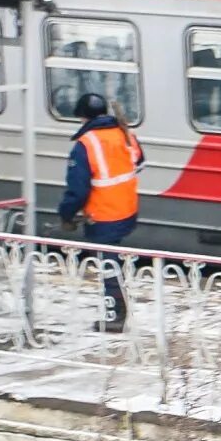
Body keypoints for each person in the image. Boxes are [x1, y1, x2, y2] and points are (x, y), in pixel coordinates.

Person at [56, 91, 145, 333]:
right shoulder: (125, 134)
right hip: (127, 209)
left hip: (104, 215)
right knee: (112, 259)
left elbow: (77, 190)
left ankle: (116, 315)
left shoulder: (86, 145)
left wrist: (66, 214)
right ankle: (118, 306)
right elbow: (138, 162)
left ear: (83, 118)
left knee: (108, 264)